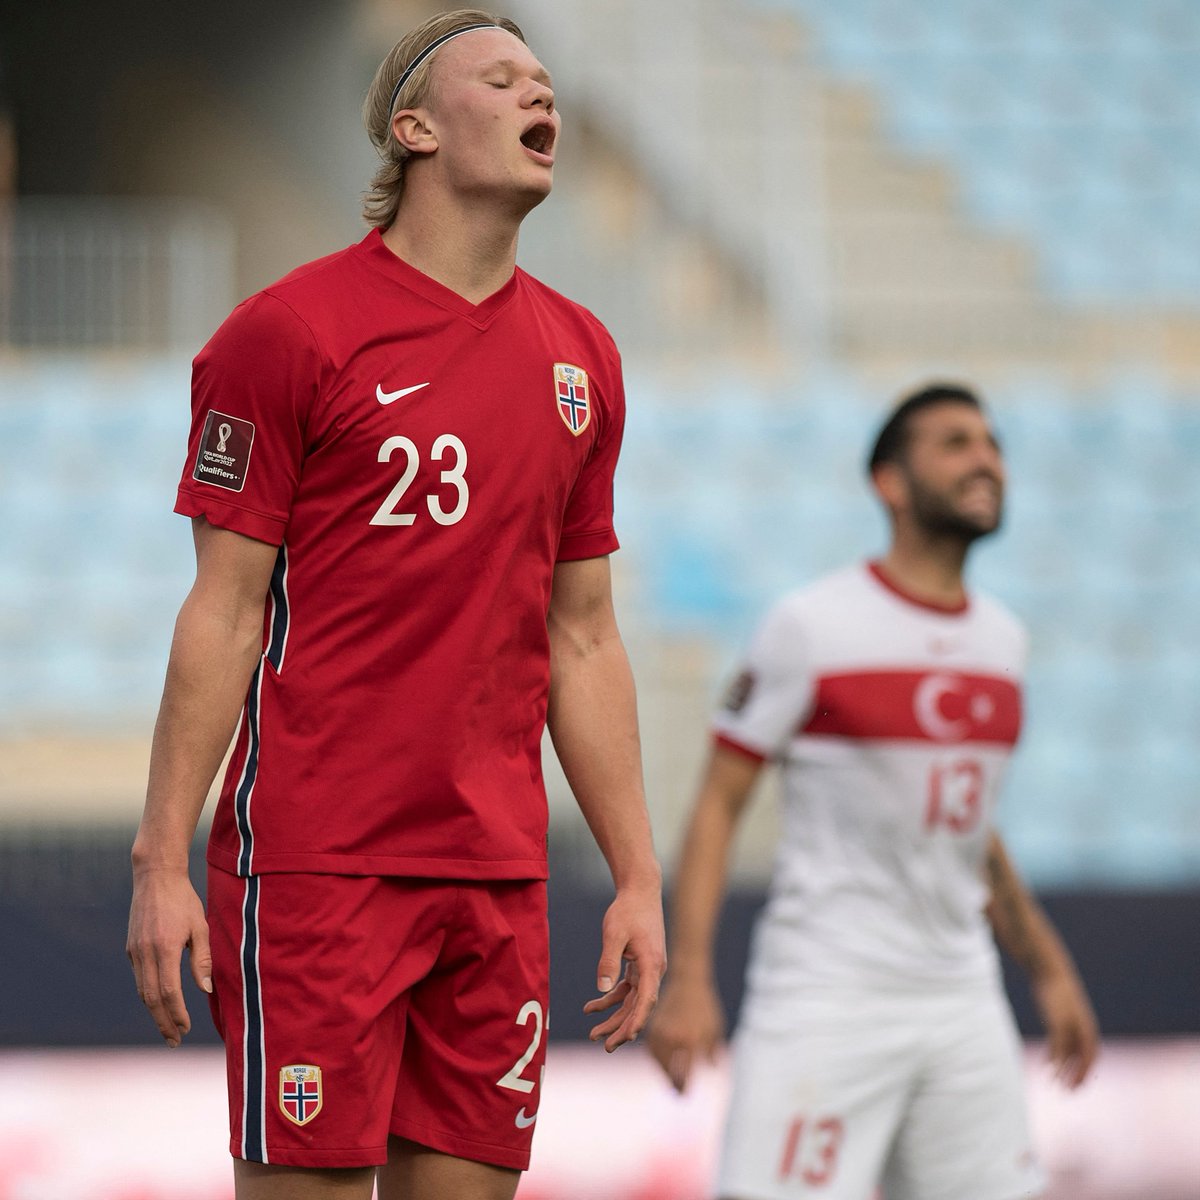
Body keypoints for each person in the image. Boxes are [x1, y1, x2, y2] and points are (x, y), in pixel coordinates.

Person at [125, 11, 665, 1200]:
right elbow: (222, 613)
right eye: (505, 78)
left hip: (496, 873)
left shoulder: (585, 359)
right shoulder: (287, 334)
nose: (545, 99)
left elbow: (583, 634)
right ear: (414, 129)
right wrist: (162, 855)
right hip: (321, 868)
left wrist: (636, 874)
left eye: (548, 84)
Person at [646, 384, 1099, 1200]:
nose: (985, 460)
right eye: (955, 443)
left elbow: (965, 824)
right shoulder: (810, 626)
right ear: (889, 482)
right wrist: (689, 978)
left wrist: (1049, 967)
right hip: (828, 994)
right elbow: (717, 803)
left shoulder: (1003, 641)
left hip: (961, 997)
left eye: (992, 444)